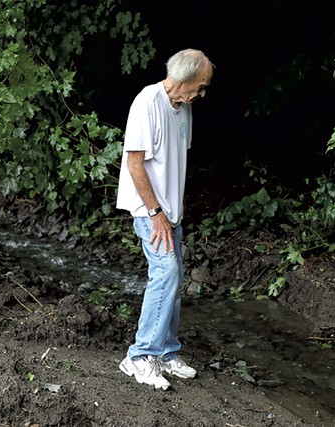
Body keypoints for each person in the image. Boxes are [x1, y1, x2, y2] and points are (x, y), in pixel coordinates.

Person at [116, 48, 214, 390]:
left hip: (170, 213)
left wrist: (172, 211)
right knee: (166, 274)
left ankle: (167, 353)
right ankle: (140, 356)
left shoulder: (183, 109)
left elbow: (173, 161)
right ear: (185, 79)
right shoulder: (146, 103)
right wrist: (156, 213)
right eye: (201, 86)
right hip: (150, 211)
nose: (202, 94)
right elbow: (134, 163)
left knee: (174, 279)